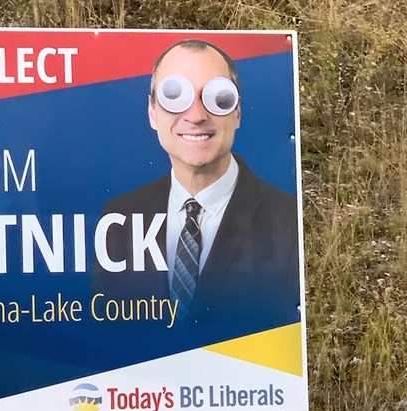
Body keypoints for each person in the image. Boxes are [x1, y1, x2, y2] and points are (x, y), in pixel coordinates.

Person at [95, 39, 300, 335]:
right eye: (175, 95)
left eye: (218, 98)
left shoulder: (289, 219)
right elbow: (106, 335)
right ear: (152, 112)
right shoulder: (119, 219)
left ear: (238, 112)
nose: (196, 115)